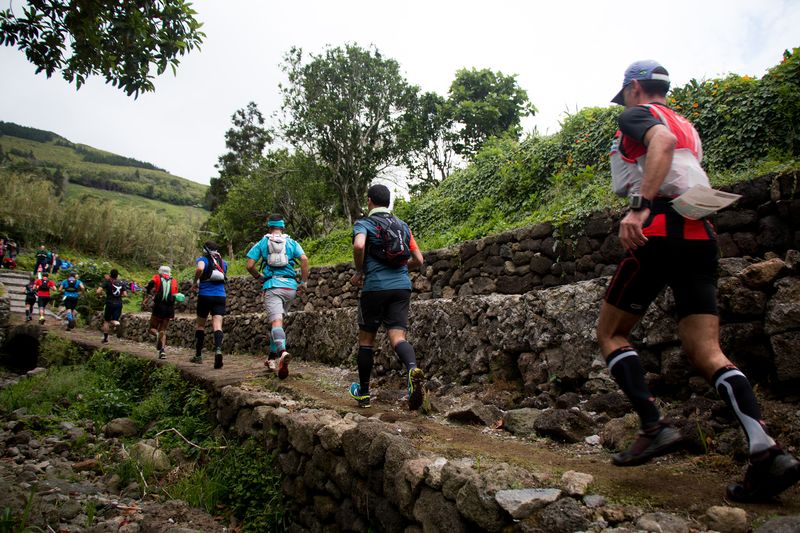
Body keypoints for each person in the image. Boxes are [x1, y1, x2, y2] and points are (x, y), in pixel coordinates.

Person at [597, 60, 800, 502]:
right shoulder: (686, 123)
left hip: (661, 228)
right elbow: (677, 154)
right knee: (707, 351)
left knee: (611, 333)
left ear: (634, 88)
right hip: (701, 232)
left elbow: (660, 144)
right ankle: (765, 449)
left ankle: (652, 425)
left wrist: (639, 206)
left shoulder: (639, 116)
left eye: (625, 92)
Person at [348, 184, 426, 410]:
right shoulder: (402, 226)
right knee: (398, 338)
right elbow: (419, 260)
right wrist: (402, 268)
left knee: (366, 341)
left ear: (370, 200)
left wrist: (360, 271)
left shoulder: (364, 223)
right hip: (402, 287)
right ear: (389, 202)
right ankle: (412, 371)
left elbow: (359, 244)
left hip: (375, 287)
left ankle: (363, 394)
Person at [245, 214, 309, 379]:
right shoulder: (291, 242)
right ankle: (271, 359)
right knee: (278, 323)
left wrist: (259, 277)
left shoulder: (263, 242)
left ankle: (283, 352)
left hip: (273, 286)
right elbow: (304, 259)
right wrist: (303, 281)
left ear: (269, 227)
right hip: (290, 288)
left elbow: (250, 265)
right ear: (282, 226)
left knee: (276, 323)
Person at [191, 241, 228, 368]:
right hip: (220, 296)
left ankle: (198, 355)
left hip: (205, 296)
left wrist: (195, 281)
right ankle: (218, 350)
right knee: (217, 325)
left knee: (200, 325)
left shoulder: (203, 259)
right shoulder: (223, 263)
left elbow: (200, 268)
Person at [145, 265, 178, 359]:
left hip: (159, 306)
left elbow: (150, 284)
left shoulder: (157, 277)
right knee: (163, 329)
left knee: (152, 328)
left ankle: (157, 334)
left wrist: (149, 293)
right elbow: (175, 293)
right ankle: (162, 351)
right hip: (170, 308)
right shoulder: (174, 280)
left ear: (160, 272)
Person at [97, 269, 127, 343]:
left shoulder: (107, 282)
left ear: (110, 275)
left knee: (107, 321)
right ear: (117, 275)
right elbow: (125, 294)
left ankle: (105, 339)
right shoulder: (121, 283)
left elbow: (98, 291)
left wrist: (100, 296)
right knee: (115, 320)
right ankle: (118, 324)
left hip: (109, 303)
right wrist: (119, 296)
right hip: (119, 304)